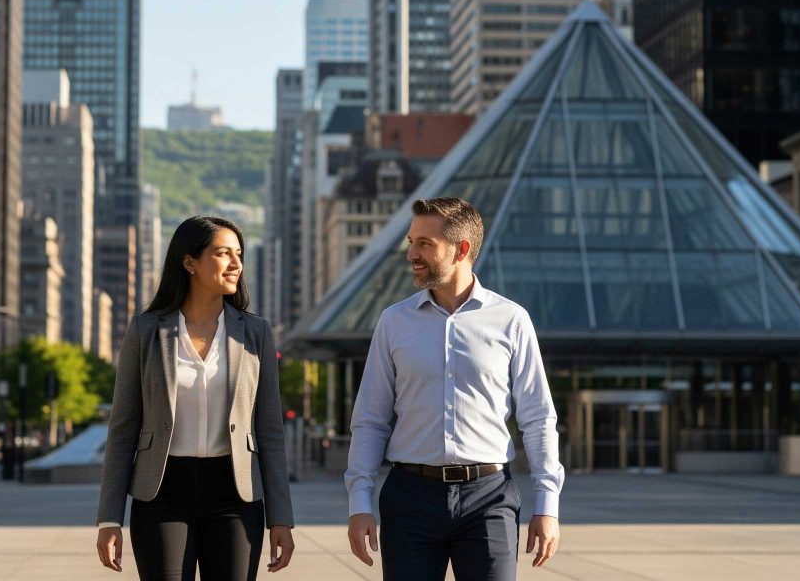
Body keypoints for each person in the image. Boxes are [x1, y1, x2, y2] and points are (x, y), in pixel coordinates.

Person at [345, 196, 564, 580]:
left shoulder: (511, 320)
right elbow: (370, 419)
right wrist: (359, 502)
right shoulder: (393, 322)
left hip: (490, 499)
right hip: (409, 498)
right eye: (411, 242)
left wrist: (547, 506)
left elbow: (539, 418)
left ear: (462, 249)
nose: (411, 253)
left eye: (424, 244)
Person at [96, 214, 295, 579]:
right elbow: (123, 428)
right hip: (162, 494)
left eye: (239, 254)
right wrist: (109, 517)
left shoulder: (256, 334)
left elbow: (269, 431)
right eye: (223, 253)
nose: (236, 263)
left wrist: (281, 518)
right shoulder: (145, 331)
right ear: (189, 262)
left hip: (236, 496)